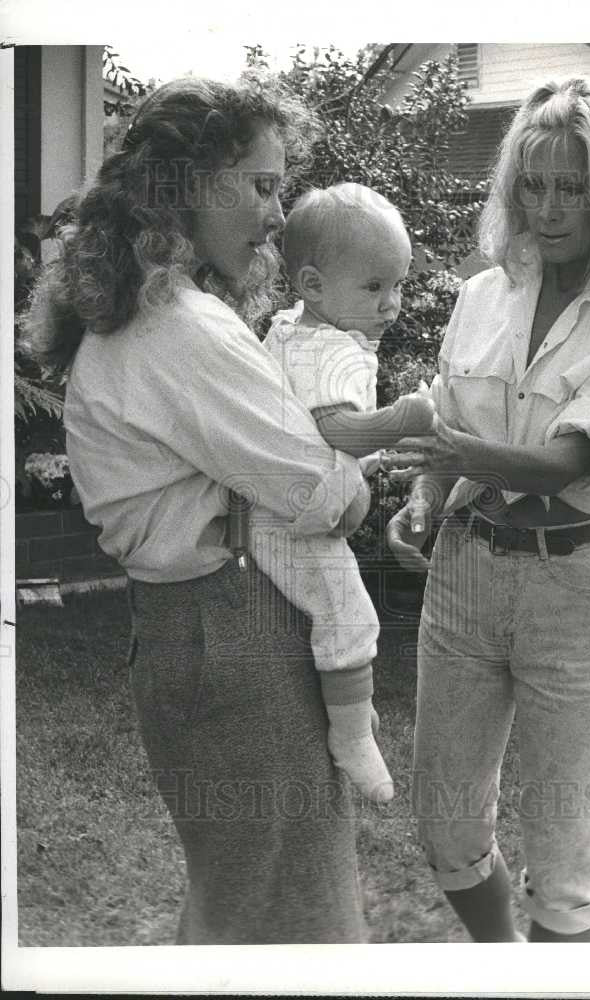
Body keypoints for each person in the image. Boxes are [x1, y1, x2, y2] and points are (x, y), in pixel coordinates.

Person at [24, 75, 376, 944]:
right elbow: (326, 494)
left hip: (187, 630)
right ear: (186, 185)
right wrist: (358, 479)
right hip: (239, 631)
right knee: (296, 916)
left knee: (241, 898)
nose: (276, 211)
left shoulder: (134, 316)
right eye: (260, 185)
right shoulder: (184, 329)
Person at [385, 76, 590, 942]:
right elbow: (450, 418)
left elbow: (569, 462)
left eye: (578, 190)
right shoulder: (484, 296)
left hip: (574, 596)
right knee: (445, 829)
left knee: (563, 865)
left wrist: (458, 458)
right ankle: (507, 962)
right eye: (534, 183)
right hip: (465, 579)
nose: (550, 208)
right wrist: (424, 498)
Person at [251, 182, 435, 804]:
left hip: (275, 506)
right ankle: (352, 733)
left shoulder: (292, 330)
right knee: (349, 613)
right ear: (311, 284)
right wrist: (403, 420)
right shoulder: (332, 351)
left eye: (398, 285)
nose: (392, 304)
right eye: (374, 287)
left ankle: (345, 707)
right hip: (294, 519)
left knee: (328, 618)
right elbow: (339, 431)